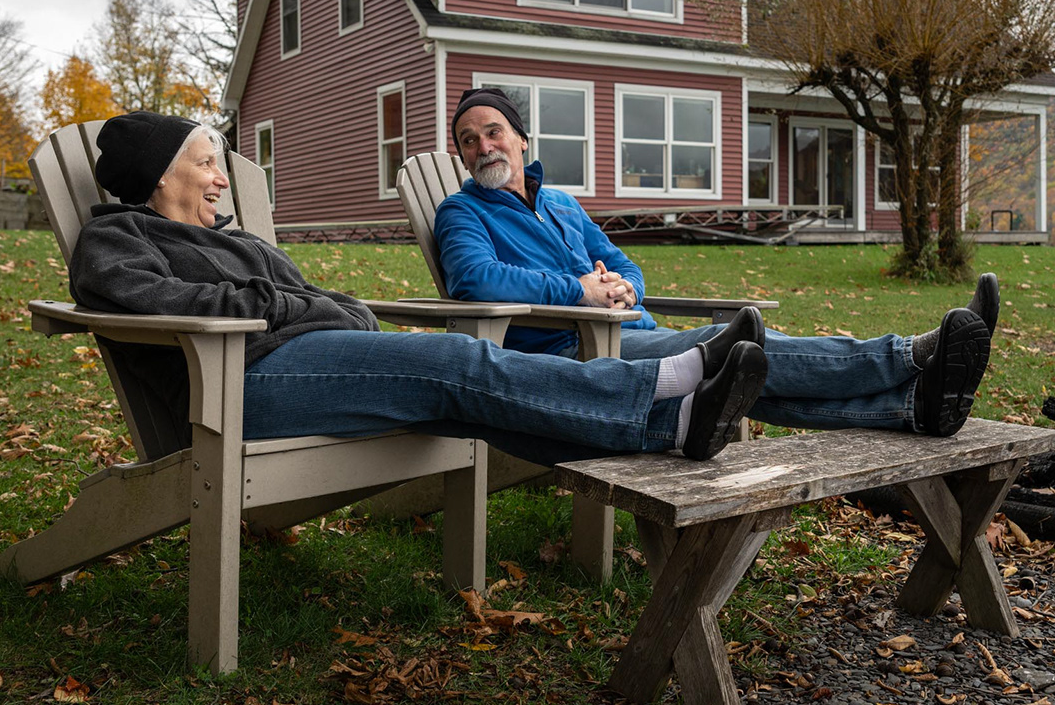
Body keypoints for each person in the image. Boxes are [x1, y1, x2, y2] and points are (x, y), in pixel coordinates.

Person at [67, 112, 768, 462]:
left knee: (467, 404)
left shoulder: (238, 241)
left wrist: (311, 308)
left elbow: (336, 305)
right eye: (205, 163)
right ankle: (665, 382)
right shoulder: (116, 239)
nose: (222, 179)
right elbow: (178, 304)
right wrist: (290, 308)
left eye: (221, 166)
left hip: (298, 362)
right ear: (160, 176)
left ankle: (667, 425)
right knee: (459, 364)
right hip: (226, 390)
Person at [434, 88, 1001, 437]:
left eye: (493, 132)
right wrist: (578, 292)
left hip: (631, 331)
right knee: (732, 346)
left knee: (737, 375)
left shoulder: (560, 202)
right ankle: (912, 355)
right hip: (574, 350)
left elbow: (624, 263)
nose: (483, 147)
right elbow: (474, 279)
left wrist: (626, 289)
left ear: (522, 140)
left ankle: (913, 405)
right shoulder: (461, 212)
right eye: (468, 140)